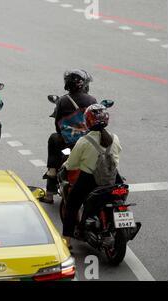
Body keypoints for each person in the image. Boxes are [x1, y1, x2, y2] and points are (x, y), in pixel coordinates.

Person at [61, 104, 122, 247]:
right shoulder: (114, 138)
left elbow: (72, 164)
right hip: (113, 179)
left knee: (72, 205)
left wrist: (65, 166)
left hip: (89, 180)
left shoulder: (84, 141)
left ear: (87, 121)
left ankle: (66, 242)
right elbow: (117, 156)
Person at [42, 69, 97, 204]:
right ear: (84, 85)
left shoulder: (63, 101)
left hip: (68, 143)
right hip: (89, 141)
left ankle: (50, 186)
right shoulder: (91, 100)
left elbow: (58, 124)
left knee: (54, 138)